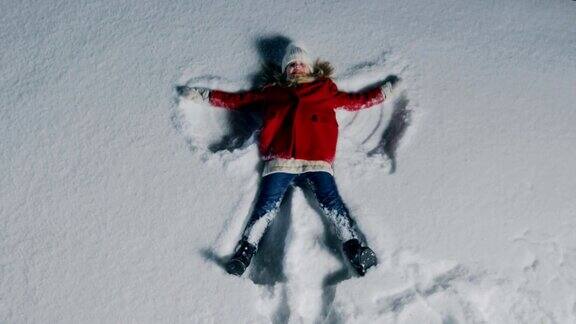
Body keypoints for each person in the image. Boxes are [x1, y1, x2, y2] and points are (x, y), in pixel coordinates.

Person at [180, 43, 399, 276]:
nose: (296, 68)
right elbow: (239, 100)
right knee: (266, 205)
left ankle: (355, 249)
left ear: (310, 68)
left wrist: (385, 92)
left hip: (317, 160)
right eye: (291, 65)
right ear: (285, 70)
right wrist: (204, 95)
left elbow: (356, 101)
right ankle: (245, 251)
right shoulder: (273, 92)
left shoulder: (324, 90)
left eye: (301, 64)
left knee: (331, 202)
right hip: (281, 159)